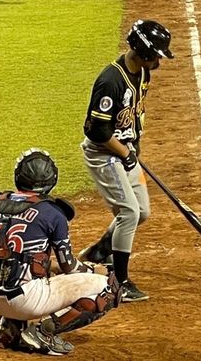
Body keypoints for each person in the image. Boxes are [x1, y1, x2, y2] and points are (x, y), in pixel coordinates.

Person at [0, 149, 122, 356]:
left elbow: (14, 254)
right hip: (27, 301)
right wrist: (93, 270)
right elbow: (69, 266)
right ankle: (43, 332)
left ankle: (10, 324)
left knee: (22, 266)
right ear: (51, 180)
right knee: (109, 288)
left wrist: (51, 267)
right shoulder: (53, 212)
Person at [77, 19, 175, 303]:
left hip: (125, 150)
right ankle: (119, 282)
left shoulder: (143, 74)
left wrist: (134, 147)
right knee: (129, 212)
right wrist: (125, 153)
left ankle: (99, 252)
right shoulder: (111, 81)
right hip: (104, 154)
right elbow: (96, 131)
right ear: (144, 51)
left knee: (141, 211)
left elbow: (132, 116)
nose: (158, 61)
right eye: (156, 55)